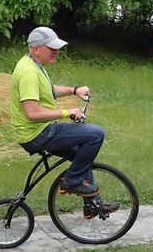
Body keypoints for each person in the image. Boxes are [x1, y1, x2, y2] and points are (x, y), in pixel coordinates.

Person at [10, 26, 104, 197]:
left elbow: (48, 90)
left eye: (58, 48)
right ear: (36, 49)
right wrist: (67, 113)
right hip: (37, 134)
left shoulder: (33, 64)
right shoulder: (29, 72)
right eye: (52, 48)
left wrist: (75, 90)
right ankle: (71, 182)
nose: (57, 51)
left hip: (38, 130)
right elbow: (32, 114)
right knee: (96, 134)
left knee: (80, 155)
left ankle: (93, 205)